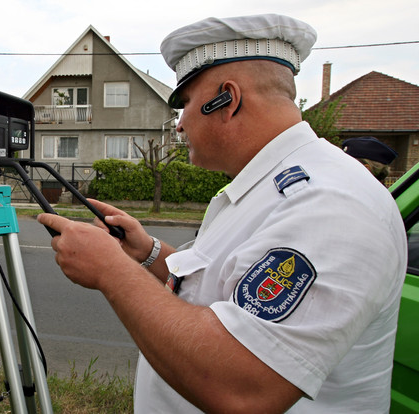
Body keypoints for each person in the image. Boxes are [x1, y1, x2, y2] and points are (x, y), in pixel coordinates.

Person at [37, 14, 407, 413]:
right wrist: (146, 253)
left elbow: (244, 389)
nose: (178, 126)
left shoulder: (332, 204)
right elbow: (225, 289)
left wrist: (110, 270)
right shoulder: (270, 186)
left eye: (186, 104)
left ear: (227, 100)